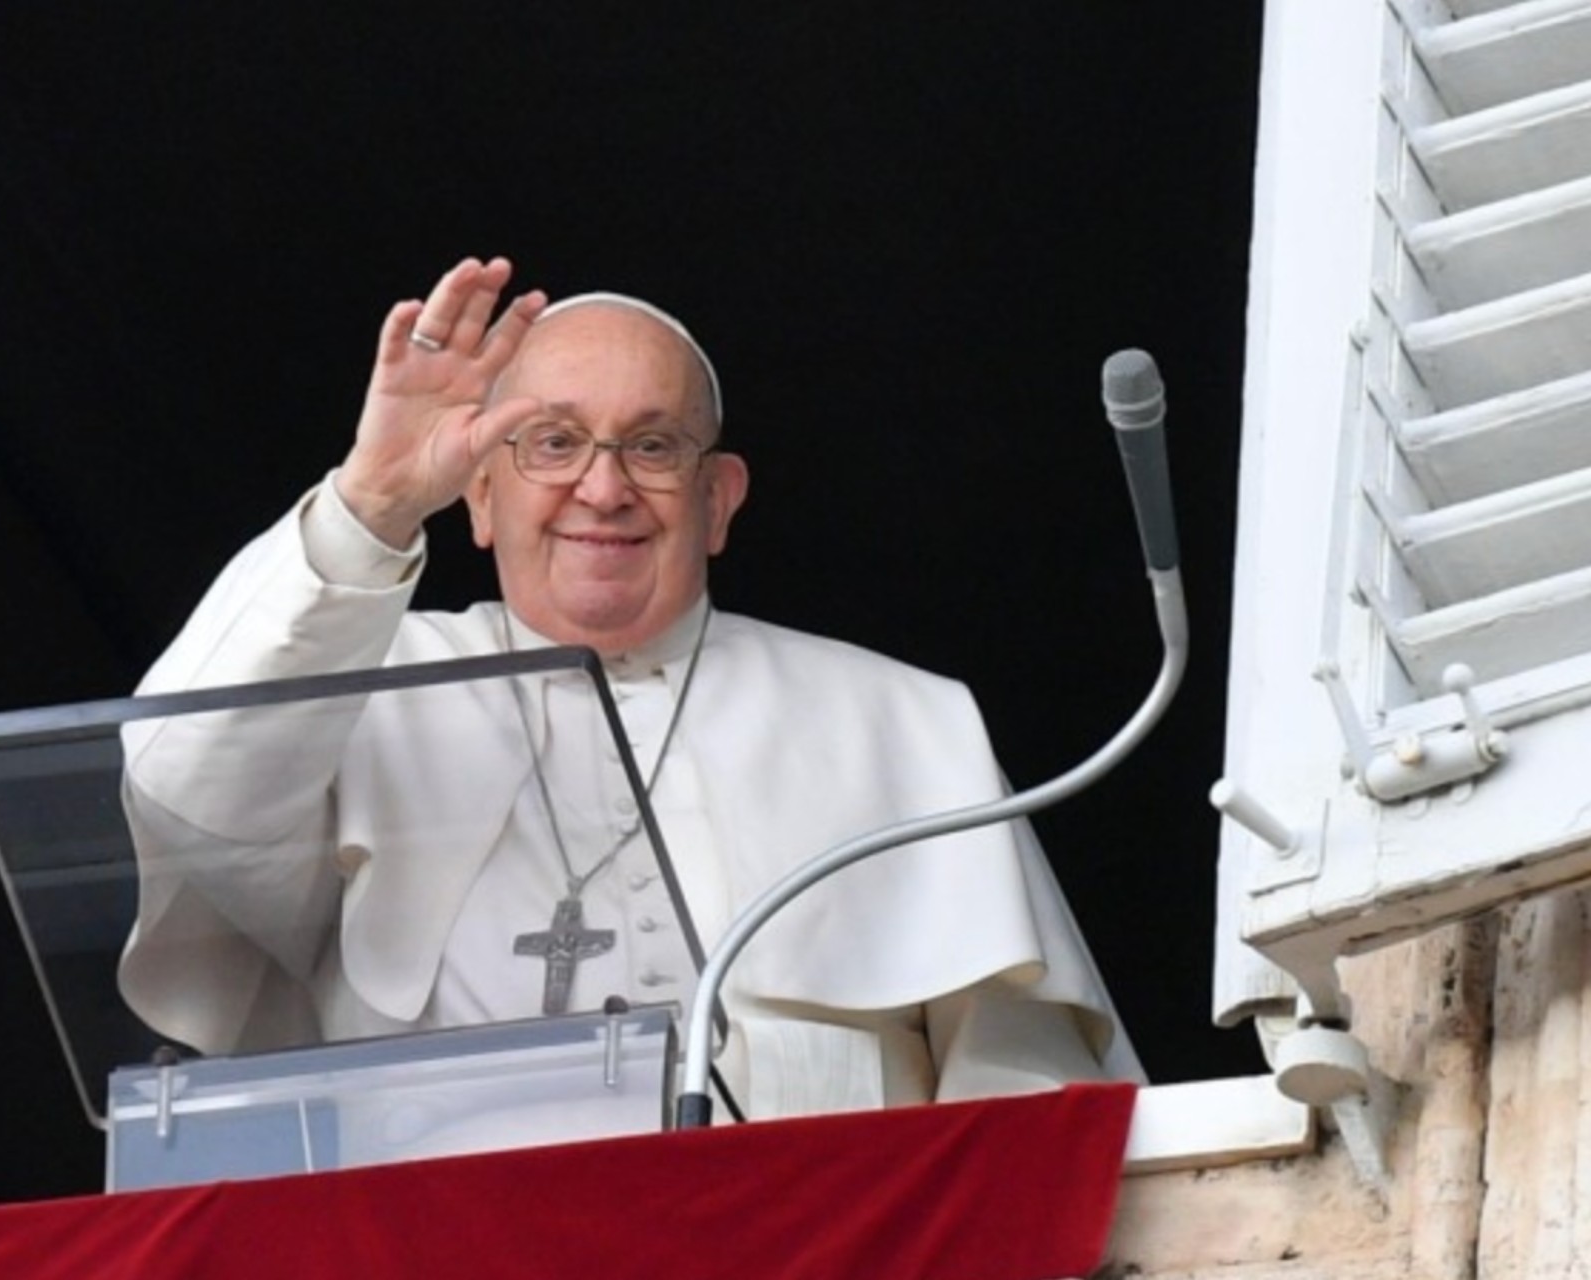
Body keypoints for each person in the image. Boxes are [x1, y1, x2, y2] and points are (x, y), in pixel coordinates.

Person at [117, 256, 1142, 1120]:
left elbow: (1027, 1090)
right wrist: (372, 500)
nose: (602, 489)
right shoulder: (362, 688)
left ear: (717, 500)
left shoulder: (899, 719)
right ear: (478, 491)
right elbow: (183, 792)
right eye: (553, 442)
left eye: (651, 445)